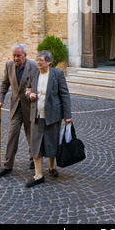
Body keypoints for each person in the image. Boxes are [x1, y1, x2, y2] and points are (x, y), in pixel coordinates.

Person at [25, 50, 72, 188]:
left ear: (49, 62)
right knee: (36, 144)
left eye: (41, 59)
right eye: (37, 59)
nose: (38, 62)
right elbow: (27, 89)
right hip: (36, 114)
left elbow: (65, 95)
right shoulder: (34, 73)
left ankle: (52, 167)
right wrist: (29, 95)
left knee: (52, 142)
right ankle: (38, 175)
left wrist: (67, 115)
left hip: (52, 115)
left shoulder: (57, 74)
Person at [0, 43, 38, 177]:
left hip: (29, 106)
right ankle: (7, 165)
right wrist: (0, 98)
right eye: (14, 55)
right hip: (15, 107)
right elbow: (4, 84)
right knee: (12, 134)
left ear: (25, 55)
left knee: (31, 134)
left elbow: (38, 85)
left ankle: (34, 159)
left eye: (18, 55)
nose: (16, 58)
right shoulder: (9, 66)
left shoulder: (33, 67)